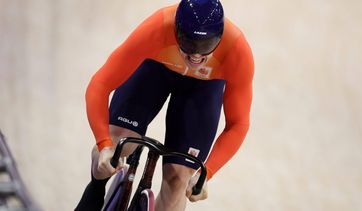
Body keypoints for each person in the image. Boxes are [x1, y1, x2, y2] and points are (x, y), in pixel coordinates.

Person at [75, 0, 254, 210]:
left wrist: (207, 173)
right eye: (188, 43)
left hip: (203, 88)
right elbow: (100, 84)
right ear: (176, 29)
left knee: (179, 181)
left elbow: (238, 124)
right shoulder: (158, 27)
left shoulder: (237, 50)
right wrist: (104, 144)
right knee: (117, 143)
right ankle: (96, 188)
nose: (196, 55)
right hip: (156, 70)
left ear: (220, 37)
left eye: (205, 47)